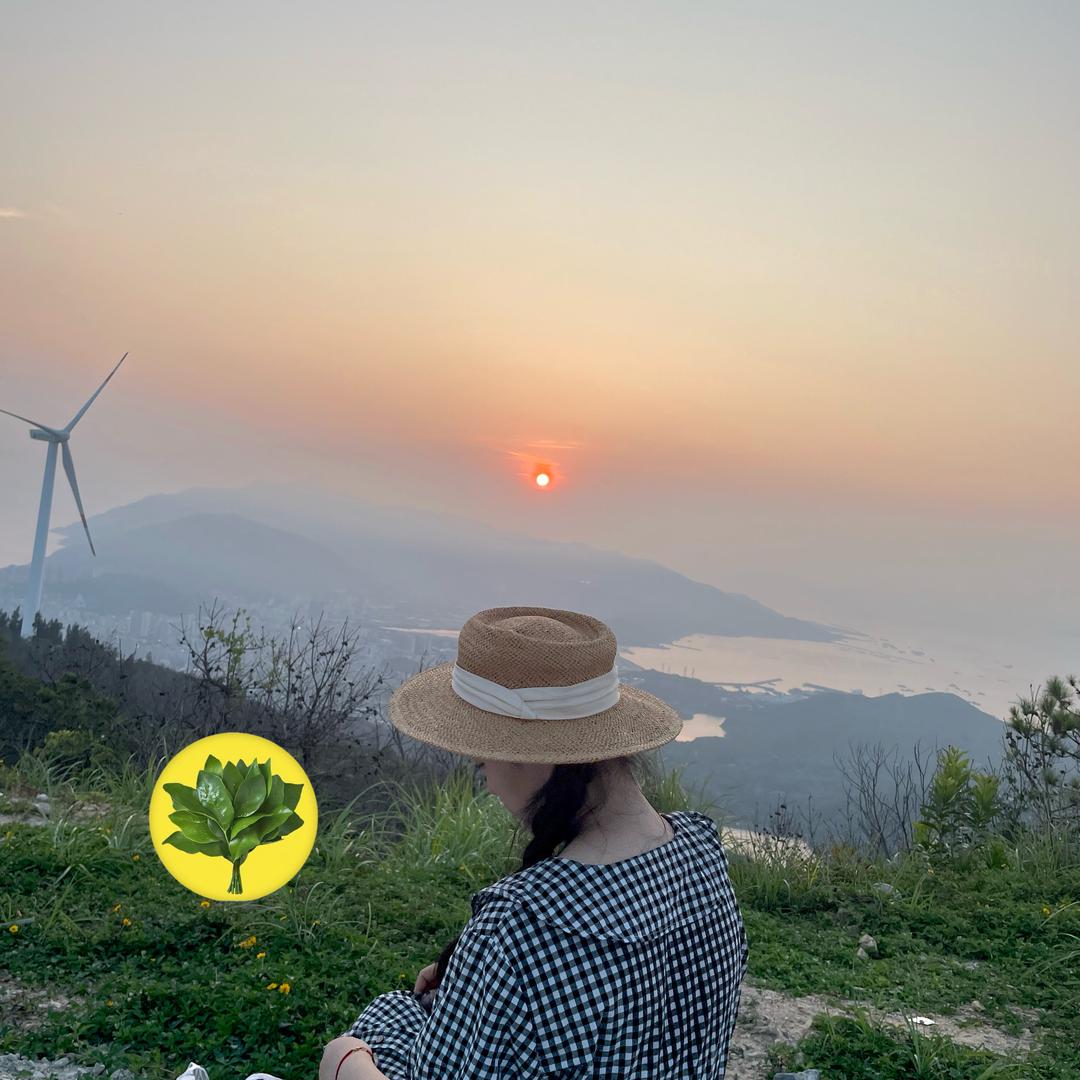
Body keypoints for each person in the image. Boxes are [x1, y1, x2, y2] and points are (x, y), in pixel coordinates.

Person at [321, 605, 748, 1079]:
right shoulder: (703, 858)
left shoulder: (521, 929)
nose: (487, 785)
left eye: (481, 764)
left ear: (531, 757)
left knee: (352, 1047)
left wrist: (343, 1059)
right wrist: (475, 987)